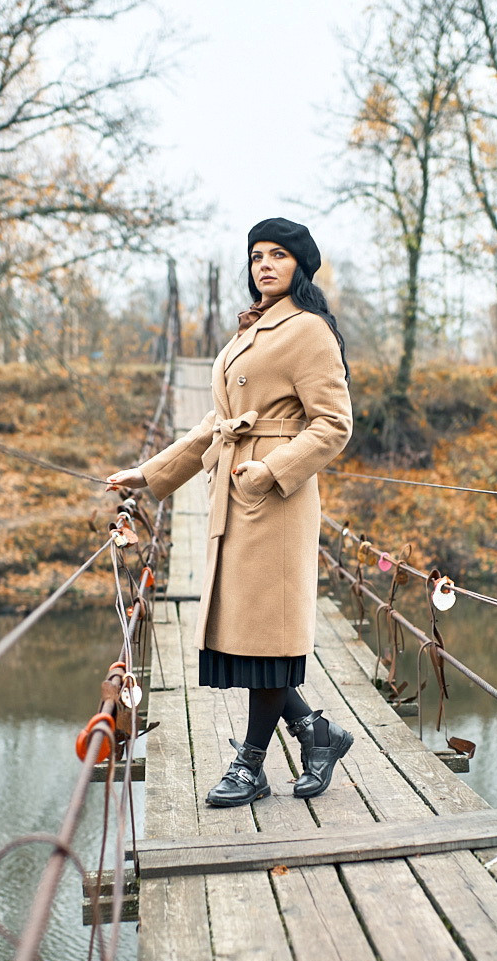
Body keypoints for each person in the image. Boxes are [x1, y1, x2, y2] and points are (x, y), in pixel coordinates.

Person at [106, 217, 354, 807]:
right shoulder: (252, 330)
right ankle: (317, 733)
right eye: (256, 256)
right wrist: (151, 473)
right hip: (235, 500)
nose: (264, 265)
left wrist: (273, 470)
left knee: (267, 637)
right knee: (246, 638)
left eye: (277, 255)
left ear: (300, 265)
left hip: (275, 501)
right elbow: (216, 425)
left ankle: (251, 764)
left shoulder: (308, 331)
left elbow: (334, 425)